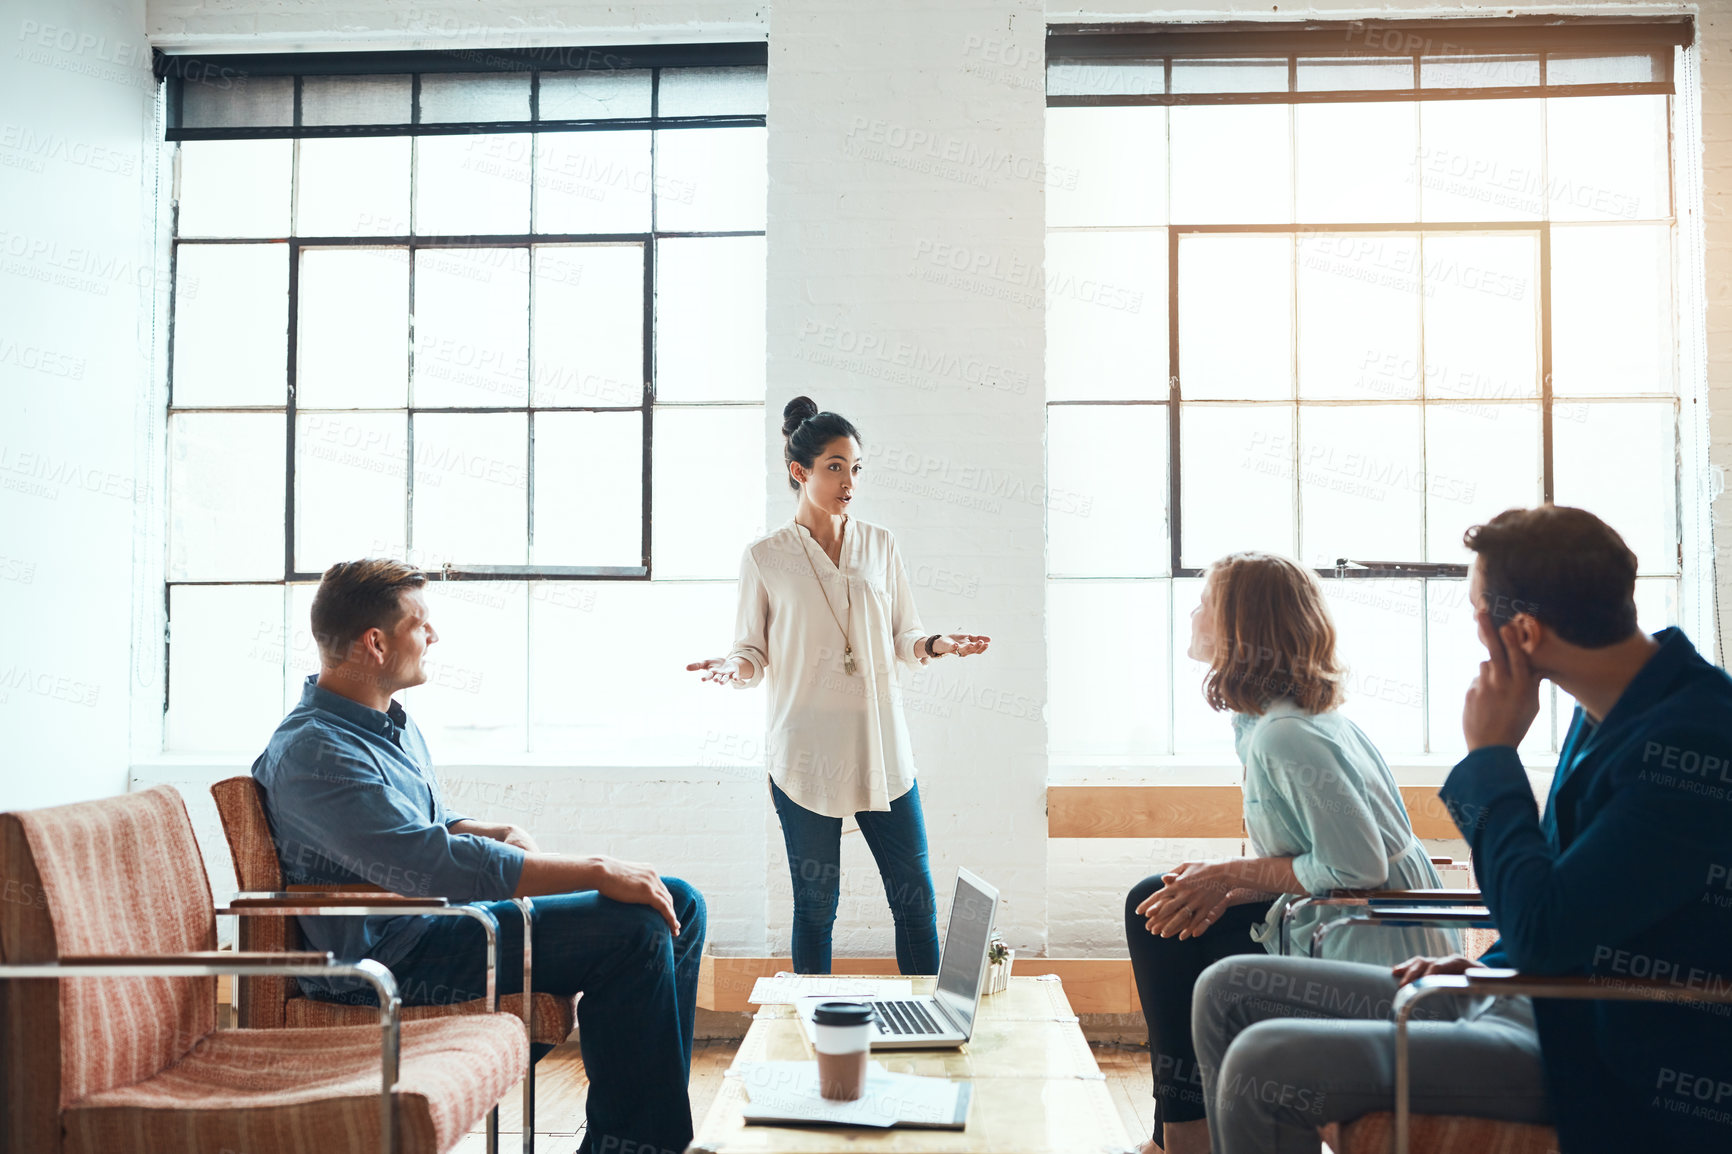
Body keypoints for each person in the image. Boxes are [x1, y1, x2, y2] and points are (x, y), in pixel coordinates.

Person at [1191, 505, 1732, 1154]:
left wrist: (1491, 757)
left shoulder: (1694, 741)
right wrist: (1487, 965)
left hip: (1589, 1041)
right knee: (1228, 992)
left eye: (1477, 610)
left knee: (1265, 1062)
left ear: (1522, 632)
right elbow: (1578, 903)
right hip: (1526, 992)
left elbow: (1547, 928)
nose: (1475, 628)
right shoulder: (1608, 711)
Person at [253, 559, 706, 1154]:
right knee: (635, 928)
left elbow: (419, 826)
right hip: (390, 962)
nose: (433, 637)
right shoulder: (316, 752)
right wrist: (597, 868)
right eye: (421, 624)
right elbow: (430, 864)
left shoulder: (384, 725)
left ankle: (636, 1137)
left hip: (434, 927)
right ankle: (634, 1146)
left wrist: (487, 828)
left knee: (681, 903)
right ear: (375, 642)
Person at [1125, 552, 1456, 1154]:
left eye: (1206, 603)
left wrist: (1230, 873)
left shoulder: (1287, 735)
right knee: (1155, 900)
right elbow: (1326, 857)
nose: (1194, 611)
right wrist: (1226, 886)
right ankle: (1179, 1137)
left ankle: (1183, 1142)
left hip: (1368, 947)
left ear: (1241, 628)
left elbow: (1357, 869)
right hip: (1345, 922)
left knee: (1159, 918)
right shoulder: (1286, 722)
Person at [686, 396, 990, 974]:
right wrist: (735, 667)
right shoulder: (765, 556)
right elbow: (750, 649)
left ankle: (932, 1037)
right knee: (816, 909)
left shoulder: (881, 544)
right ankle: (809, 1047)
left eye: (855, 468)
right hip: (805, 756)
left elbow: (906, 634)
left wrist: (936, 645)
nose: (848, 481)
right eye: (834, 466)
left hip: (882, 750)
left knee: (915, 902)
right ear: (799, 471)